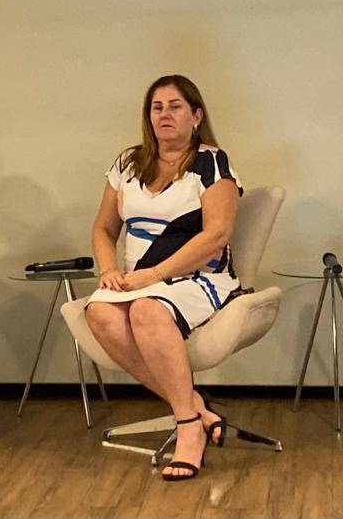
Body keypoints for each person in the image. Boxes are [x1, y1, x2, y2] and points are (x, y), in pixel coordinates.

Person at [84, 75, 243, 482]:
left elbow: (217, 235)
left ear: (196, 115)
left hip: (197, 276)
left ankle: (188, 429)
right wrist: (109, 271)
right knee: (99, 314)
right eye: (157, 107)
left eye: (175, 106)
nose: (165, 115)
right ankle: (197, 409)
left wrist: (152, 276)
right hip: (138, 279)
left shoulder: (212, 162)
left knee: (146, 312)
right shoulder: (127, 162)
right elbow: (103, 228)